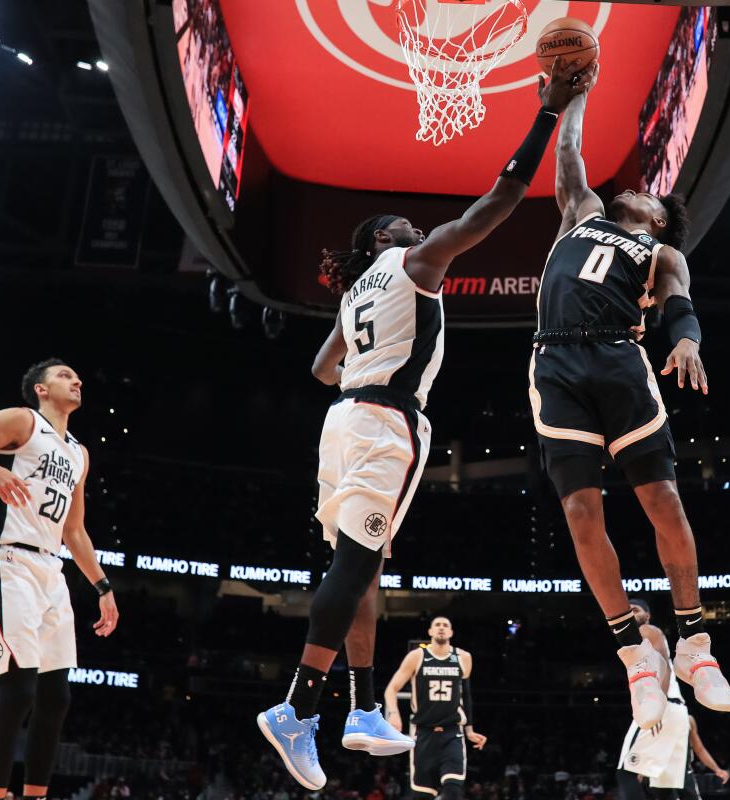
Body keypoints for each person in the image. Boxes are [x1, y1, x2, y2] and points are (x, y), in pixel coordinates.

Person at [255, 58, 594, 791]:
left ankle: (362, 706)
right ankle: (297, 708)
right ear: (383, 239)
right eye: (399, 224)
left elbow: (321, 368)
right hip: (385, 425)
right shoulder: (413, 260)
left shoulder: (350, 299)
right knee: (355, 566)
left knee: (362, 565)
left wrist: (365, 351)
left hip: (342, 417)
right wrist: (548, 113)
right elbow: (500, 200)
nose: (412, 223)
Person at [529, 64, 730, 721]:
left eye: (651, 196)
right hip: (555, 358)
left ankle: (695, 640)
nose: (641, 192)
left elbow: (682, 306)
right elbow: (568, 155)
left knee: (661, 499)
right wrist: (576, 98)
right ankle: (633, 653)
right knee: (581, 514)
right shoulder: (583, 213)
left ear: (656, 221)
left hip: (618, 356)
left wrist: (689, 342)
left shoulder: (662, 254)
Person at [0, 359, 120, 800]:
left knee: (56, 699)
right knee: (19, 691)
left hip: (51, 569)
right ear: (40, 389)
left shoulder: (79, 452)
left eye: (77, 375)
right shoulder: (21, 420)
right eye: (64, 375)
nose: (77, 380)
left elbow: (74, 531)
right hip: (7, 559)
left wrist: (103, 587)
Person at [616, 601, 727, 800]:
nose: (631, 614)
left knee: (627, 773)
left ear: (647, 615)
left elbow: (663, 664)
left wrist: (659, 704)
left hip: (663, 705)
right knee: (665, 788)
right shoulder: (638, 639)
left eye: (636, 609)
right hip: (677, 711)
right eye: (628, 610)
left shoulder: (646, 630)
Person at [382, 617, 487, 800]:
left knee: (453, 790)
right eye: (437, 625)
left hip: (452, 733)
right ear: (430, 632)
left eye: (445, 625)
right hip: (423, 733)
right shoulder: (416, 657)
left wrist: (469, 730)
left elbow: (466, 696)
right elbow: (391, 689)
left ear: (451, 633)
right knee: (422, 795)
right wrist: (393, 714)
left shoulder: (463, 657)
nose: (441, 628)